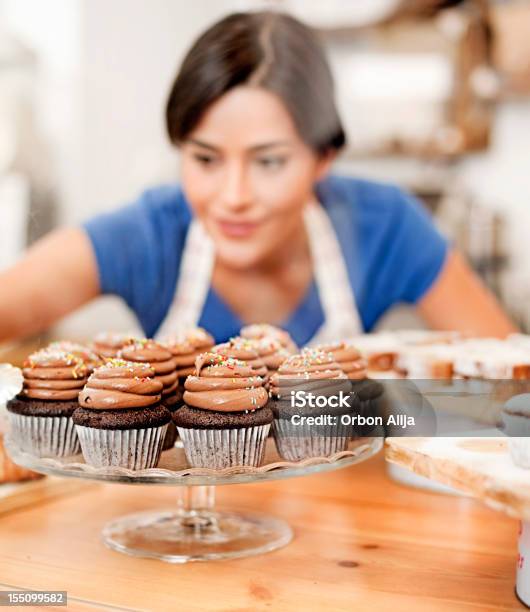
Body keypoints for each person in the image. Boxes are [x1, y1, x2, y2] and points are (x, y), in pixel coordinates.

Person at [0, 11, 516, 347]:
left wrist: (368, 406)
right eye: (205, 159)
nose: (234, 197)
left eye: (269, 162)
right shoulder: (150, 235)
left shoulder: (385, 226)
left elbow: (510, 386)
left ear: (324, 157)